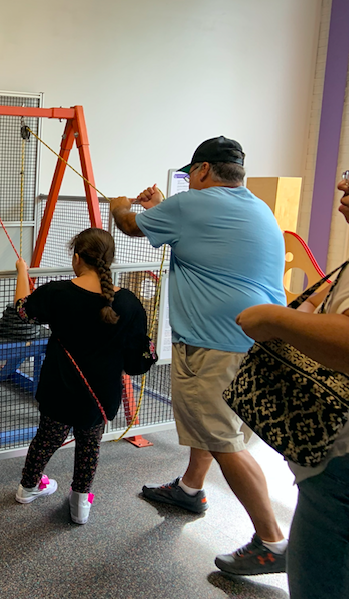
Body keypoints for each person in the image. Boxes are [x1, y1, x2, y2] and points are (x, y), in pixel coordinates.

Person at [109, 136, 289, 575]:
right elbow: (196, 227)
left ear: (204, 171)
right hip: (259, 346)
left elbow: (129, 226)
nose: (190, 182)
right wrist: (164, 206)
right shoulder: (256, 207)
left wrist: (118, 206)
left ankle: (272, 542)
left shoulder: (191, 206)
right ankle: (190, 489)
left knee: (222, 441)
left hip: (215, 348)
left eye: (192, 175)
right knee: (217, 429)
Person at [235, 175, 349, 599]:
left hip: (339, 463)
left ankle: (267, 536)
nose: (340, 183)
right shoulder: (262, 216)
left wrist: (275, 319)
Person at [12, 228, 154, 524]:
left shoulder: (58, 292)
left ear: (76, 258)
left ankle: (28, 487)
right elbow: (137, 359)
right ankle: (81, 504)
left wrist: (22, 271)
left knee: (47, 438)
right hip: (99, 395)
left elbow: (22, 310)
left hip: (58, 388)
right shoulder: (127, 302)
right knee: (90, 445)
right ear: (109, 260)